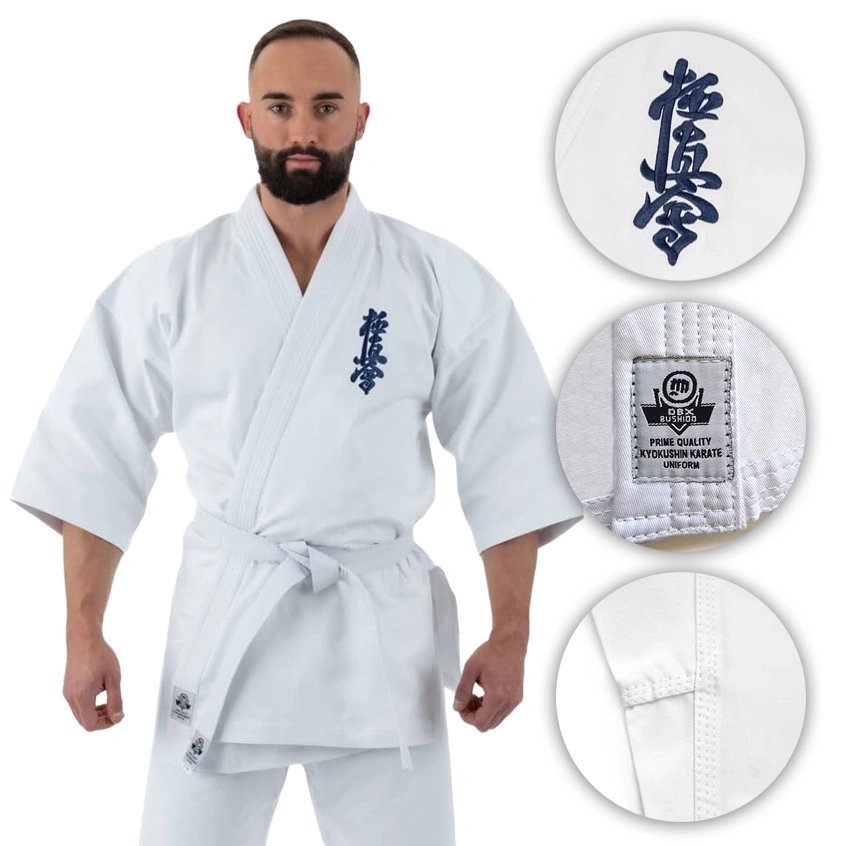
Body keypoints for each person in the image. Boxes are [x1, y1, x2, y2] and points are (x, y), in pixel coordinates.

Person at [9, 19, 582, 846]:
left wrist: (512, 632)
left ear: (362, 119)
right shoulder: (173, 280)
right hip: (228, 627)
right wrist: (82, 630)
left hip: (378, 641)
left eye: (326, 106)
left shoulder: (433, 277)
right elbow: (92, 456)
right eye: (280, 107)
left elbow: (510, 452)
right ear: (247, 119)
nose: (303, 130)